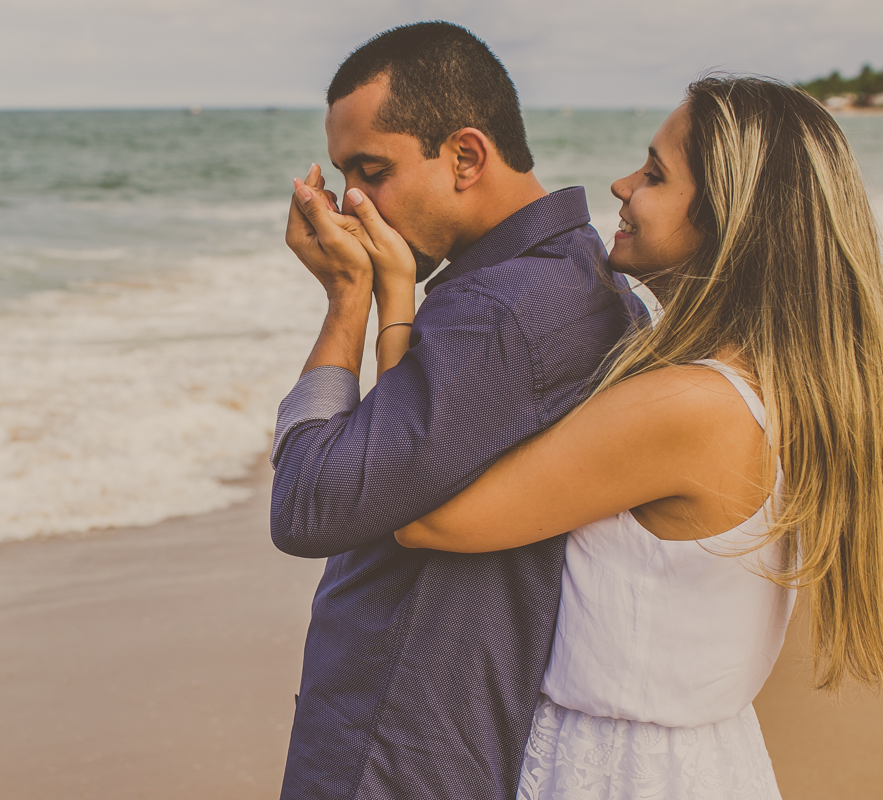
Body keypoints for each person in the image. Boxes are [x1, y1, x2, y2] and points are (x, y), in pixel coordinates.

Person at [372, 77, 883, 798]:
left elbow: (420, 514)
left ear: (726, 217)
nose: (620, 185)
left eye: (655, 174)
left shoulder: (688, 405)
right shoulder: (777, 387)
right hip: (702, 758)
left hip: (616, 768)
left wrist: (392, 297)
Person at [271, 22, 645, 800]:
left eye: (372, 170)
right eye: (343, 176)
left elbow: (307, 507)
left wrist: (347, 300)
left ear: (467, 156)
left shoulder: (505, 309)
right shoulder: (577, 274)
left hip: (392, 745)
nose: (353, 203)